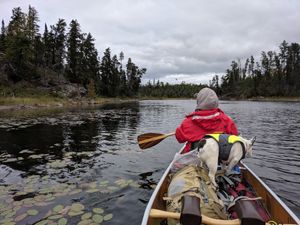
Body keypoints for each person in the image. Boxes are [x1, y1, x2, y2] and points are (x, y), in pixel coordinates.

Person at [175, 87, 238, 153]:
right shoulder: (226, 120)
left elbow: (180, 138)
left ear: (199, 102)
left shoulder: (188, 122)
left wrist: (178, 131)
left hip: (194, 159)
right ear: (216, 102)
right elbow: (235, 137)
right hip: (218, 159)